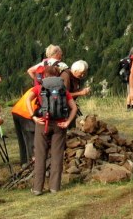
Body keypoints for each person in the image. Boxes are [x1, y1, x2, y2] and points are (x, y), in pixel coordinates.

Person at [30, 66, 78, 195]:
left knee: (40, 155)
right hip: (59, 125)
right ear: (57, 75)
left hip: (42, 123)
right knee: (57, 156)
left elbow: (28, 99)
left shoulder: (39, 87)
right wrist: (67, 122)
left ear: (45, 75)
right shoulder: (63, 89)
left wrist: (33, 117)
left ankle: (37, 188)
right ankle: (54, 187)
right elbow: (74, 108)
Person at [11, 85, 37, 166]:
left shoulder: (35, 88)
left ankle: (24, 161)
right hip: (26, 113)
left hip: (16, 110)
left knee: (22, 139)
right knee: (30, 138)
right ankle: (31, 160)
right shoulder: (44, 91)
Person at [60, 60, 91, 129]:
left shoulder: (76, 77)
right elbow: (64, 94)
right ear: (75, 71)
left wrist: (82, 90)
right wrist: (80, 93)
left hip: (70, 106)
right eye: (81, 74)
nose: (82, 76)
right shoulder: (66, 76)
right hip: (64, 108)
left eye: (84, 74)